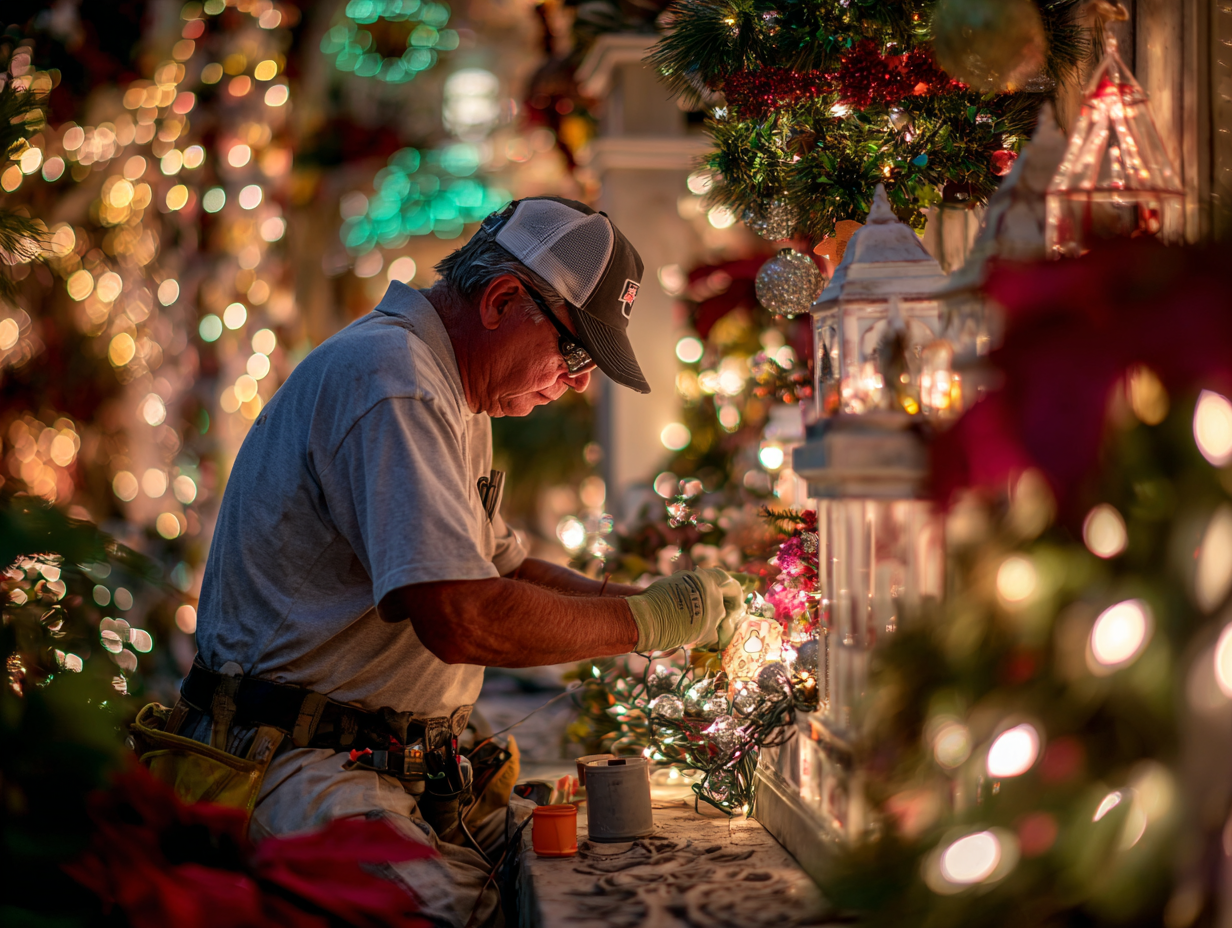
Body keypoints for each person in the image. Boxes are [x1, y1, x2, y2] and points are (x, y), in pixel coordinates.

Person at [170, 197, 745, 926]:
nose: (578, 384)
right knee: (437, 914)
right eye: (575, 354)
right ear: (505, 299)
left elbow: (503, 571)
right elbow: (462, 618)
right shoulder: (394, 381)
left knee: (583, 875)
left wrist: (662, 604)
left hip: (380, 761)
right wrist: (653, 621)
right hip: (303, 765)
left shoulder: (452, 388)